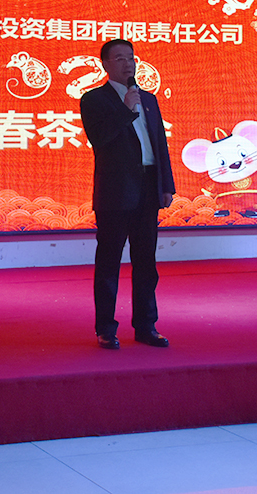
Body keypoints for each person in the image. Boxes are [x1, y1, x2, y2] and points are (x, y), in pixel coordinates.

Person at [80, 39, 175, 350]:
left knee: (146, 262)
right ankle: (106, 329)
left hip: (148, 188)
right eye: (119, 58)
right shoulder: (94, 99)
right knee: (109, 263)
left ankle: (146, 326)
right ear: (106, 65)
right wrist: (125, 108)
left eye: (131, 58)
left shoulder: (148, 99)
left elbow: (159, 144)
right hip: (115, 191)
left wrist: (166, 185)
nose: (128, 64)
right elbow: (100, 138)